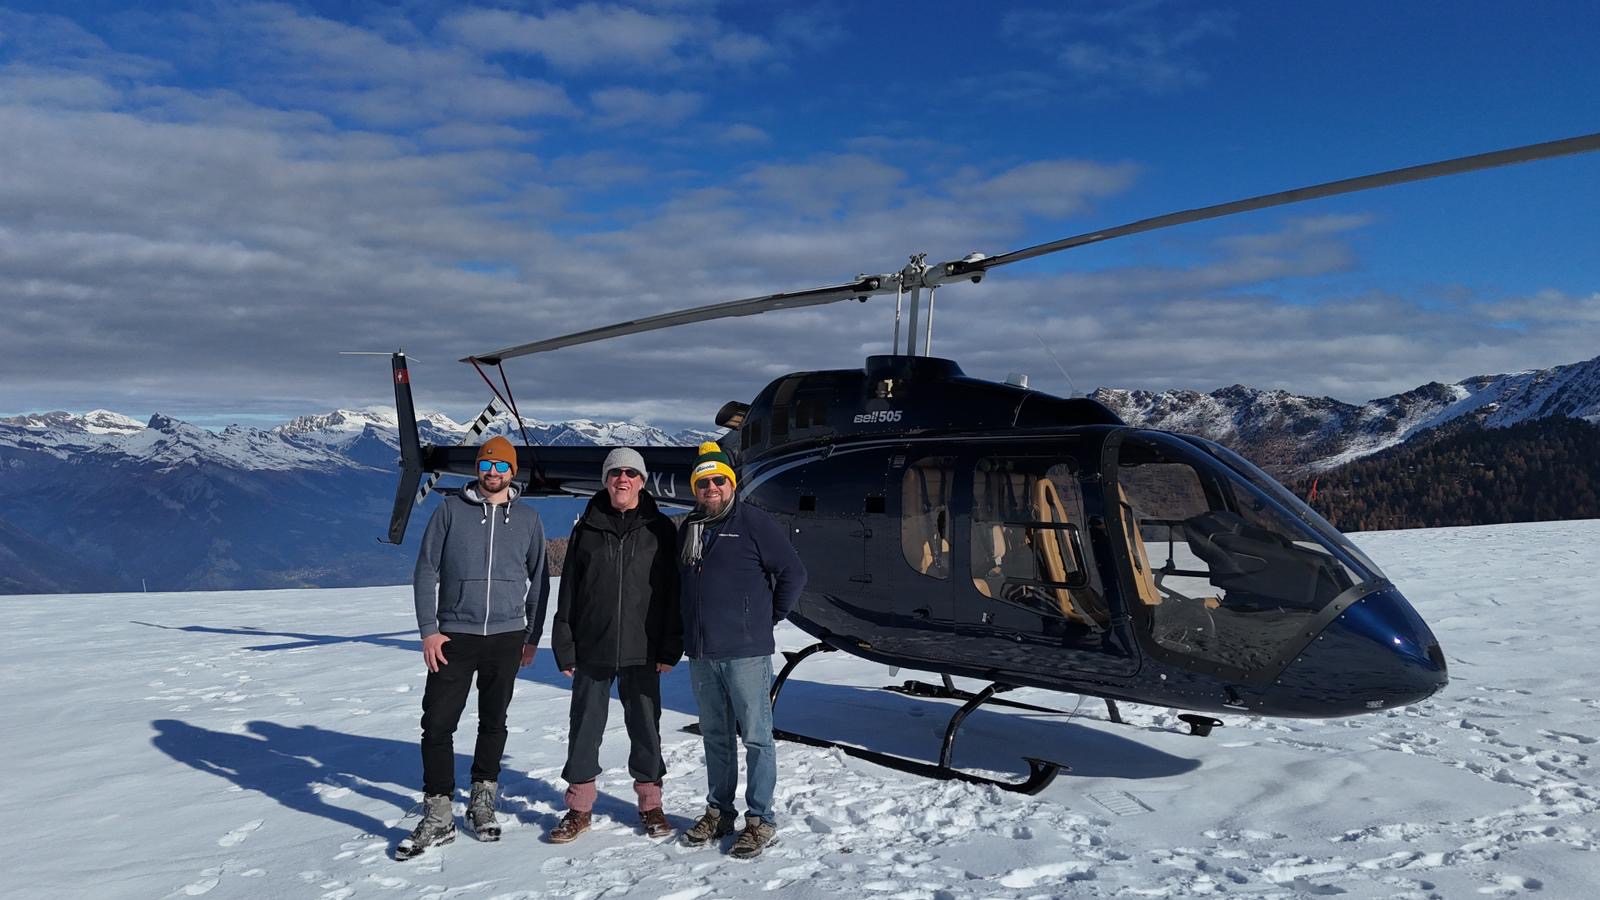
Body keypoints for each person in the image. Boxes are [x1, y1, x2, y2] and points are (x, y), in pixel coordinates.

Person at [398, 435, 551, 860]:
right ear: (477, 470)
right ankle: (439, 809)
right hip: (454, 635)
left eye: (501, 466)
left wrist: (531, 636)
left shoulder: (529, 519)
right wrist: (429, 630)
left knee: (493, 721)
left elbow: (539, 581)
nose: (493, 473)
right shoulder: (449, 511)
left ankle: (482, 799)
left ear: (512, 472)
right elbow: (426, 570)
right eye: (486, 466)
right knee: (438, 723)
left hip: (506, 636)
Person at [677, 441, 806, 859]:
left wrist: (767, 616)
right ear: (695, 489)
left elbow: (793, 573)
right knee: (716, 737)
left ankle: (760, 819)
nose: (711, 487)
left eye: (718, 480)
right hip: (701, 653)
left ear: (730, 484)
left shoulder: (753, 522)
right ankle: (720, 812)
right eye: (703, 482)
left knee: (755, 737)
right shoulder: (692, 527)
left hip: (745, 654)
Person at [546, 447, 683, 843]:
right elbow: (569, 588)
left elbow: (671, 594)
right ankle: (579, 807)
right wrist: (564, 642)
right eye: (614, 473)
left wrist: (670, 646)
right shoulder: (586, 527)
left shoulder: (660, 529)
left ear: (641, 480)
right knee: (585, 729)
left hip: (644, 648)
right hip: (593, 646)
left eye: (630, 473)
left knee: (646, 730)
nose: (622, 479)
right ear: (606, 480)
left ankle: (651, 805)